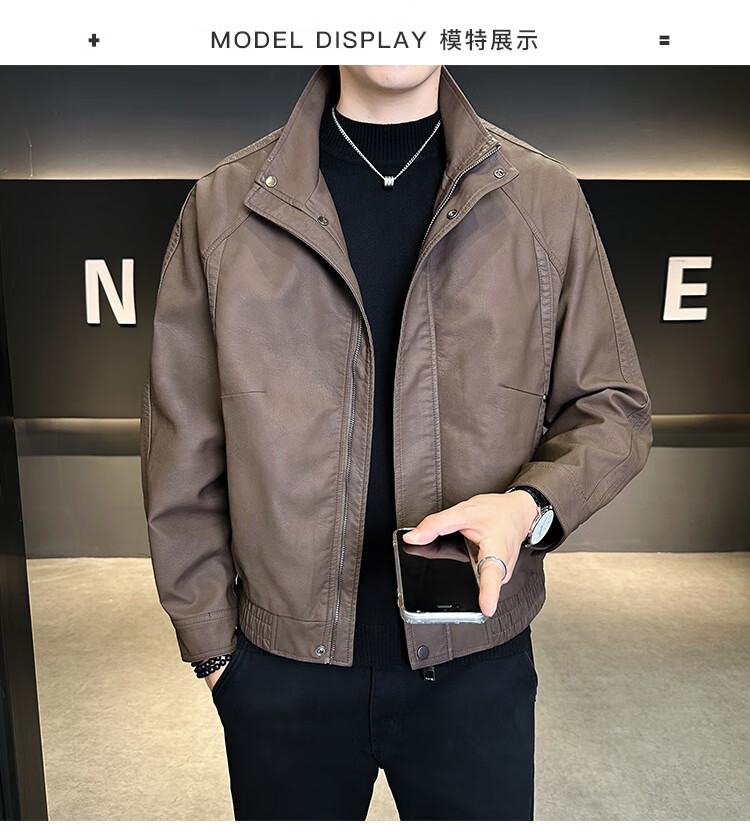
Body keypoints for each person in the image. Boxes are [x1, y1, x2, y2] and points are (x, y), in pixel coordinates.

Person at [140, 64, 652, 820]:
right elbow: (181, 449)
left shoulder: (543, 201)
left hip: (476, 659)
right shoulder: (223, 209)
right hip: (282, 670)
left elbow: (613, 407)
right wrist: (214, 651)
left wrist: (529, 507)